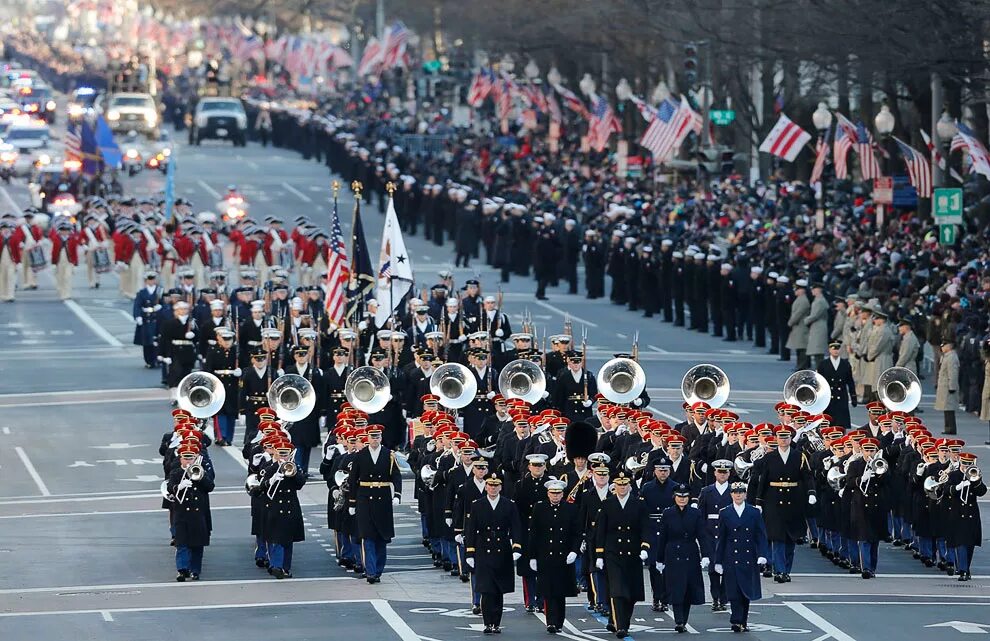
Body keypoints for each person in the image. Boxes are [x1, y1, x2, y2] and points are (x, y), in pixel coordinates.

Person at [755, 424, 815, 582]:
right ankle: (779, 571)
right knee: (777, 538)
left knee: (791, 538)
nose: (783, 440)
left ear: (790, 438)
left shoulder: (799, 456)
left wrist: (811, 493)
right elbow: (763, 481)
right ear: (776, 439)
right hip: (773, 501)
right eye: (780, 437)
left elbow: (807, 477)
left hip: (794, 500)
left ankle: (786, 570)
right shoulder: (769, 458)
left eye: (786, 437)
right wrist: (759, 501)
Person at [464, 472, 523, 634]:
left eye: (496, 485)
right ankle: (487, 622)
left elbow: (516, 527)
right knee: (486, 590)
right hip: (483, 550)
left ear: (500, 487)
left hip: (502, 550)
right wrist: (469, 553)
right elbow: (471, 530)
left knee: (498, 591)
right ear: (486, 486)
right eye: (490, 485)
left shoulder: (509, 504)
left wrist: (517, 547)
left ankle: (496, 623)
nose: (492, 488)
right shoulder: (477, 505)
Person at [347, 424, 403, 583]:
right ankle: (370, 571)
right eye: (372, 436)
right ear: (368, 437)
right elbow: (353, 480)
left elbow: (396, 476)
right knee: (367, 536)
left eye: (377, 436)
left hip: (383, 497)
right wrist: (352, 502)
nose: (375, 439)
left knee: (381, 537)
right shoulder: (360, 455)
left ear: (381, 438)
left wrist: (397, 494)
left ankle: (378, 570)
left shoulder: (388, 454)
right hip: (364, 498)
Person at [594, 471, 648, 639]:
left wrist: (645, 547)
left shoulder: (638, 504)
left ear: (629, 486)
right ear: (614, 486)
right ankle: (621, 626)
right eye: (619, 484)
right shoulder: (607, 504)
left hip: (633, 553)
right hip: (613, 553)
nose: (622, 487)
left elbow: (645, 527)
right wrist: (599, 555)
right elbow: (600, 531)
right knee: (618, 591)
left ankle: (623, 620)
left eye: (625, 484)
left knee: (631, 593)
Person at [655, 483, 712, 634]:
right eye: (679, 496)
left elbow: (702, 535)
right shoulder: (668, 513)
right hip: (672, 554)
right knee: (676, 589)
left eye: (685, 496)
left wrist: (705, 554)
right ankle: (679, 620)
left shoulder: (695, 513)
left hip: (690, 553)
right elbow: (663, 537)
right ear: (674, 497)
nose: (682, 499)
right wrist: (659, 559)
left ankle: (683, 620)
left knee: (688, 589)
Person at [526, 478, 581, 634]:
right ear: (548, 493)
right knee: (548, 591)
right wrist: (532, 556)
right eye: (552, 493)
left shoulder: (571, 509)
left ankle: (559, 622)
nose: (555, 496)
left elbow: (576, 533)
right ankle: (550, 622)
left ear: (562, 494)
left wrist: (574, 551)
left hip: (564, 555)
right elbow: (534, 533)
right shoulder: (540, 508)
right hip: (545, 555)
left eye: (558, 493)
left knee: (560, 591)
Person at [714, 481, 769, 633]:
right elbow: (722, 539)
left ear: (745, 494)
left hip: (749, 556)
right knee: (733, 592)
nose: (738, 495)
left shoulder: (754, 512)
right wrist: (718, 560)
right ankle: (736, 620)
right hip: (731, 556)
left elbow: (761, 535)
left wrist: (763, 554)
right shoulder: (725, 512)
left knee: (746, 592)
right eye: (735, 492)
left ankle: (743, 620)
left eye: (741, 492)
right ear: (731, 494)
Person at [167, 444, 215, 581]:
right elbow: (170, 487)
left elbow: (210, 487)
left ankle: (195, 570)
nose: (188, 461)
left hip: (198, 514)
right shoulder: (176, 473)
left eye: (191, 458)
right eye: (185, 458)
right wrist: (179, 486)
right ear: (181, 459)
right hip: (182, 514)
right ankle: (182, 570)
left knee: (197, 545)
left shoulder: (201, 471)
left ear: (195, 459)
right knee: (181, 543)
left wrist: (200, 478)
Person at [696, 460, 734, 611]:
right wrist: (702, 533)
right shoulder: (707, 491)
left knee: (726, 566)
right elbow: (701, 514)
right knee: (713, 568)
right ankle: (715, 597)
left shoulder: (733, 490)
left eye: (725, 472)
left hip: (727, 533)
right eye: (720, 472)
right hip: (710, 533)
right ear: (715, 473)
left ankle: (724, 598)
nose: (722, 475)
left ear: (729, 473)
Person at [946, 452, 985, 581]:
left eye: (969, 464)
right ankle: (962, 570)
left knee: (970, 545)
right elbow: (946, 490)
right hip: (957, 513)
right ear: (960, 463)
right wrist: (957, 487)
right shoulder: (954, 475)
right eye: (964, 464)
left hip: (971, 514)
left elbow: (982, 492)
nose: (966, 467)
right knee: (960, 543)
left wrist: (976, 481)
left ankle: (966, 568)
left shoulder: (975, 475)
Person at [818, 341, 857, 430]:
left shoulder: (845, 364)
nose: (836, 351)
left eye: (837, 349)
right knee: (828, 423)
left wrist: (853, 396)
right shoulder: (823, 364)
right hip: (828, 397)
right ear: (829, 350)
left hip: (841, 396)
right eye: (833, 349)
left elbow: (850, 381)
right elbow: (819, 382)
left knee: (841, 423)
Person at [936, 341, 960, 434]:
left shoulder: (951, 357)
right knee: (947, 408)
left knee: (949, 408)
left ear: (949, 346)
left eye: (943, 346)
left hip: (948, 386)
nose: (942, 348)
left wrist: (952, 386)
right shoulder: (946, 356)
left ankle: (950, 428)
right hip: (945, 386)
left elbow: (953, 373)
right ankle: (948, 428)